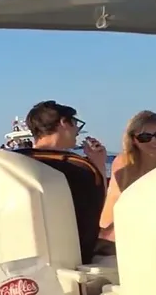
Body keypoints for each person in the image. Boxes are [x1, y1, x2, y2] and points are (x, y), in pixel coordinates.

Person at [15, 100, 108, 263]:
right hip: (70, 257)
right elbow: (97, 213)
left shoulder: (14, 160)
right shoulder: (77, 168)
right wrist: (99, 164)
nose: (77, 131)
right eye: (75, 124)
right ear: (64, 122)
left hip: (22, 252)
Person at [97, 110, 156, 251]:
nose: (154, 141)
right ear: (133, 139)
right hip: (118, 232)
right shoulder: (125, 162)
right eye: (145, 137)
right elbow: (127, 203)